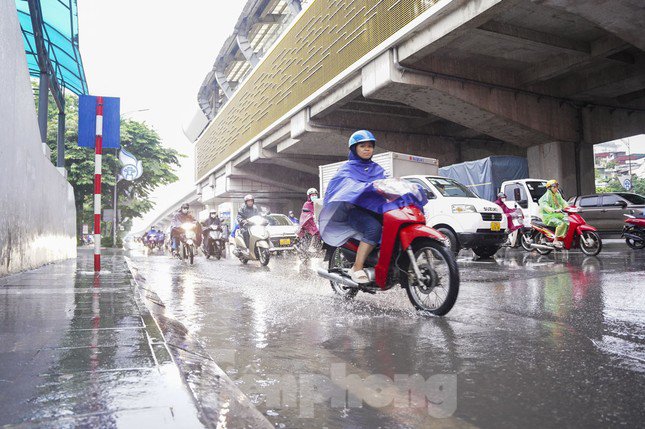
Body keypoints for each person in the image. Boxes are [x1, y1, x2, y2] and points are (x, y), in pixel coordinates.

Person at [318, 130, 386, 284]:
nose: (367, 149)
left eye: (370, 146)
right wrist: (361, 187)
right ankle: (357, 266)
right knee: (374, 228)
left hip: (376, 210)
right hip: (355, 212)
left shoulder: (377, 169)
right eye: (363, 146)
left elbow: (386, 182)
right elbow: (343, 186)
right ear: (354, 148)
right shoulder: (346, 169)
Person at [539, 179, 569, 247]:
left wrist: (569, 208)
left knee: (568, 222)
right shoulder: (545, 197)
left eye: (557, 186)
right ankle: (555, 240)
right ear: (549, 188)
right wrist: (553, 210)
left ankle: (563, 238)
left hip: (557, 215)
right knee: (561, 224)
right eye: (554, 187)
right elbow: (545, 206)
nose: (556, 188)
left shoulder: (557, 195)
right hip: (548, 216)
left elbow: (563, 202)